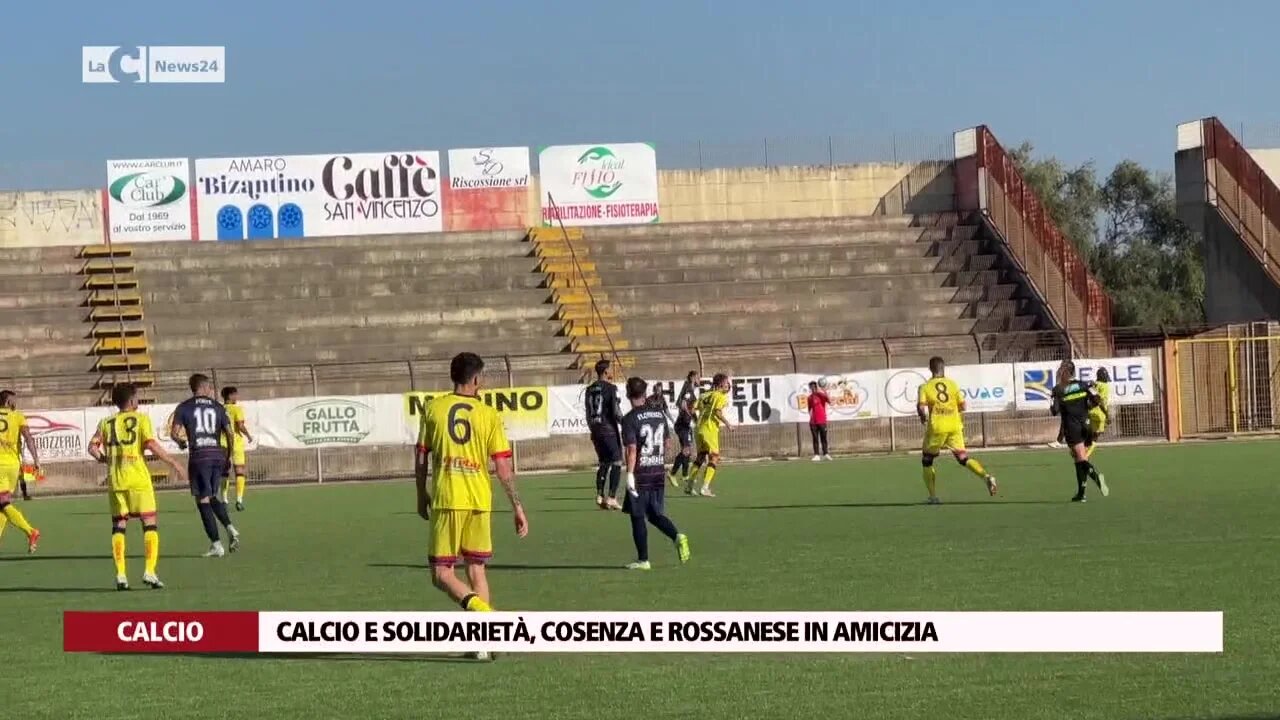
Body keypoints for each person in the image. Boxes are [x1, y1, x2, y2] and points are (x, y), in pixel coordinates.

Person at [416, 353, 528, 638]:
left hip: (447, 498)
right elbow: (503, 468)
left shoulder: (432, 409)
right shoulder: (489, 415)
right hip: (480, 501)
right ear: (477, 379)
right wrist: (518, 507)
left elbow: (421, 458)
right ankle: (483, 641)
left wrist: (420, 493)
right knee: (476, 570)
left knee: (442, 574)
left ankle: (485, 616)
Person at [89, 383, 187, 590]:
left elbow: (91, 448)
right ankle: (150, 572)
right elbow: (150, 445)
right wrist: (174, 462)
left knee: (119, 526)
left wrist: (106, 459)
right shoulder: (142, 419)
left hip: (116, 482)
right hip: (138, 480)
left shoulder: (105, 422)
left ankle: (121, 575)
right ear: (132, 401)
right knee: (149, 524)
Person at [621, 377, 691, 570]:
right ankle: (677, 536)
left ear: (628, 395)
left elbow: (632, 450)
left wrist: (629, 475)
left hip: (641, 473)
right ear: (645, 393)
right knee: (653, 514)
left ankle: (643, 560)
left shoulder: (629, 419)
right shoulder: (659, 414)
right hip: (657, 471)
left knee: (637, 515)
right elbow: (668, 444)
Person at [172, 374, 241, 557]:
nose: (211, 390)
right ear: (203, 387)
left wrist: (180, 443)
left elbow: (174, 433)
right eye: (209, 387)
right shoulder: (218, 407)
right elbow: (230, 433)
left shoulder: (184, 407)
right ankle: (231, 528)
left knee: (202, 499)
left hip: (199, 456)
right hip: (217, 455)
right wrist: (229, 456)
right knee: (211, 496)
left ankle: (216, 544)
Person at [917, 356, 998, 504]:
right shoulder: (953, 384)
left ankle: (933, 497)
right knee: (963, 458)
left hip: (937, 427)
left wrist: (922, 417)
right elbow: (963, 406)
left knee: (927, 460)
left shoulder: (925, 387)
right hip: (955, 426)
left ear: (930, 369)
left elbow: (921, 407)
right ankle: (986, 476)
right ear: (943, 368)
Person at [1050, 360, 1109, 502]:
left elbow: (1054, 411)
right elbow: (1097, 399)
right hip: (1087, 426)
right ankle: (1081, 494)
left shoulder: (1058, 389)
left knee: (1081, 460)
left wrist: (1052, 399)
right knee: (1078, 460)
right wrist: (1087, 407)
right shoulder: (1084, 384)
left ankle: (1097, 478)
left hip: (1072, 428)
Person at [0, 390, 40, 553]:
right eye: (14, 400)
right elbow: (28, 437)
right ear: (8, 402)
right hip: (13, 465)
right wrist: (36, 458)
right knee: (2, 504)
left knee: (3, 503)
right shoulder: (17, 416)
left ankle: (30, 531)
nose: (16, 403)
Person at [584, 359, 624, 509]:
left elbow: (588, 413)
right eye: (611, 369)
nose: (613, 371)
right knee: (617, 461)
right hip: (609, 430)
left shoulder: (589, 389)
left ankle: (600, 495)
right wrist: (625, 423)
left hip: (596, 430)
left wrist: (592, 428)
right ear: (606, 372)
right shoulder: (611, 388)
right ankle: (612, 496)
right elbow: (615, 411)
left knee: (603, 462)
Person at [689, 373, 733, 497]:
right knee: (714, 457)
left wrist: (698, 420)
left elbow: (692, 409)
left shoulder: (704, 395)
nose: (728, 384)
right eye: (726, 382)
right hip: (710, 429)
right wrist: (728, 424)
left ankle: (689, 485)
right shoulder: (720, 396)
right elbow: (717, 412)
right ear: (720, 384)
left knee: (701, 456)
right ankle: (705, 487)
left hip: (699, 429)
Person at [220, 386, 254, 511]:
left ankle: (224, 500)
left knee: (225, 472)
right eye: (235, 395)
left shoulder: (219, 409)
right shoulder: (237, 409)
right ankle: (239, 500)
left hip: (222, 443)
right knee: (239, 471)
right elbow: (239, 425)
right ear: (229, 396)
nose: (236, 397)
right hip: (236, 443)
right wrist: (248, 435)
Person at [667, 371, 699, 487]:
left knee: (688, 450)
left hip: (687, 425)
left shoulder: (690, 389)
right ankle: (672, 473)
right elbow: (683, 404)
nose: (698, 379)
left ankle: (685, 475)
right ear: (692, 378)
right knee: (686, 450)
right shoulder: (688, 388)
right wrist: (689, 414)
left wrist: (695, 419)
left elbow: (689, 406)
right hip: (682, 425)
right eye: (697, 377)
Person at [1086, 366, 1112, 459]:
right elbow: (1100, 401)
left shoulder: (1094, 384)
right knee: (1096, 437)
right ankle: (1085, 455)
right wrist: (1107, 415)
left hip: (1090, 412)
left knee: (1091, 434)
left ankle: (1082, 450)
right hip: (1100, 413)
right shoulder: (1105, 386)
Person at [807, 380, 832, 461]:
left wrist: (824, 391)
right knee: (815, 438)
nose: (813, 388)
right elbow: (809, 408)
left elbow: (829, 401)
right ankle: (817, 455)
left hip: (822, 421)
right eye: (811, 386)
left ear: (816, 387)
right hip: (813, 422)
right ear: (810, 388)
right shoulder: (809, 398)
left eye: (814, 386)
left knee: (823, 437)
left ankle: (826, 454)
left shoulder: (820, 395)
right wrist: (811, 417)